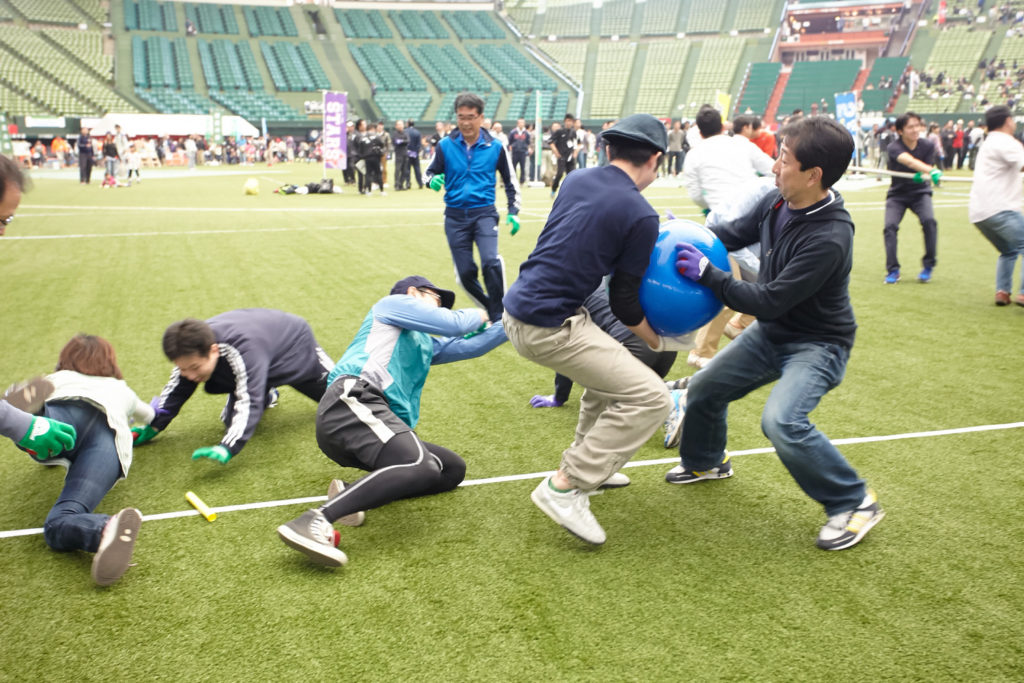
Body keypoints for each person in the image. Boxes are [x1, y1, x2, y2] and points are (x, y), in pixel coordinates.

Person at [669, 116, 884, 551]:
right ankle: (707, 462)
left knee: (782, 422)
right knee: (706, 388)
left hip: (818, 344)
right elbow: (728, 234)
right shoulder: (776, 202)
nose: (774, 167)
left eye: (784, 159)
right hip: (774, 333)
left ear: (813, 174)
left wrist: (710, 275)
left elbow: (767, 299)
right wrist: (684, 235)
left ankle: (855, 501)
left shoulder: (829, 237)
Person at [502, 113, 674, 546]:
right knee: (652, 397)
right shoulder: (641, 213)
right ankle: (567, 486)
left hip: (520, 311)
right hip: (548, 326)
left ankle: (593, 468)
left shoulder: (576, 179)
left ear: (609, 150)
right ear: (655, 158)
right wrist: (659, 339)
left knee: (615, 369)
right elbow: (624, 302)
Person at [276, 276, 507, 566]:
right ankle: (314, 520)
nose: (440, 308)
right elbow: (455, 324)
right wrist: (482, 314)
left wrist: (515, 322)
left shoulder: (424, 343)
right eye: (436, 300)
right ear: (413, 293)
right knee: (421, 464)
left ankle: (350, 494)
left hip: (368, 418)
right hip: (353, 400)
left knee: (449, 470)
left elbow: (473, 345)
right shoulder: (392, 305)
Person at [10, 334, 155, 585]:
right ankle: (105, 529)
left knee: (30, 430)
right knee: (61, 519)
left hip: (65, 415)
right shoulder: (123, 390)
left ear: (65, 360)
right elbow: (152, 415)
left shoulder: (58, 377)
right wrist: (151, 411)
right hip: (109, 441)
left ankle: (35, 410)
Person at [133, 309, 334, 464]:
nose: (190, 375)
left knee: (343, 398)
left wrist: (228, 447)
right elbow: (178, 387)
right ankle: (265, 389)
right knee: (231, 421)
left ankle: (262, 385)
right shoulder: (190, 350)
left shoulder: (243, 349)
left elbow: (249, 401)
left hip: (294, 347)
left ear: (213, 350)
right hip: (258, 358)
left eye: (194, 367)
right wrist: (155, 423)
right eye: (183, 368)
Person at [683, 106, 774, 368]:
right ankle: (701, 352)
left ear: (699, 130)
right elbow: (771, 168)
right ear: (724, 125)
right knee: (753, 282)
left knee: (749, 284)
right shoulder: (742, 144)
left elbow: (695, 194)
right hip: (751, 219)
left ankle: (738, 325)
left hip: (723, 223)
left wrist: (713, 201)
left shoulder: (695, 155)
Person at [425, 92, 521, 323]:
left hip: (484, 214)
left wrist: (513, 212)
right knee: (466, 273)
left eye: (471, 117)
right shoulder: (445, 146)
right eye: (461, 117)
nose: (466, 123)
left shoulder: (496, 147)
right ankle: (492, 309)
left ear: (481, 118)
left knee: (490, 262)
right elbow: (429, 172)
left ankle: (499, 317)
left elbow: (511, 181)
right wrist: (432, 181)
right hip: (455, 217)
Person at [968, 105, 1024, 306]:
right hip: (1001, 208)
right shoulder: (1007, 142)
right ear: (1008, 121)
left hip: (979, 213)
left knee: (1009, 251)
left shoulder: (989, 142)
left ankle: (1002, 292)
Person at [883, 111, 942, 284]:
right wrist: (930, 171)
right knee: (890, 227)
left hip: (920, 193)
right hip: (898, 194)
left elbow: (926, 165)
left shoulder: (927, 146)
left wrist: (926, 173)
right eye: (911, 127)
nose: (916, 130)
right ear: (900, 131)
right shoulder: (894, 147)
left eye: (918, 125)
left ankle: (928, 265)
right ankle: (893, 270)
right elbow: (908, 161)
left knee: (929, 221)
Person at [548, 113, 577, 197]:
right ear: (564, 121)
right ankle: (553, 189)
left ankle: (571, 193)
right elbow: (550, 141)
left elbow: (577, 143)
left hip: (571, 157)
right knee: (560, 174)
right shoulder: (559, 131)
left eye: (570, 121)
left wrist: (575, 153)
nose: (569, 123)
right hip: (562, 157)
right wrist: (556, 152)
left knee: (572, 176)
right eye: (567, 121)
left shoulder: (573, 132)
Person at [508, 118, 531, 184]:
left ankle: (522, 181)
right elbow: (510, 141)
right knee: (513, 167)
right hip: (515, 152)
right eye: (520, 123)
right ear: (517, 123)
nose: (521, 124)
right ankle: (513, 180)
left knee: (523, 167)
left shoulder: (526, 133)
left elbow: (528, 142)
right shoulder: (513, 132)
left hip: (523, 152)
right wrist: (511, 147)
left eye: (523, 123)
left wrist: (527, 148)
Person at [392, 120, 409, 191]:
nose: (400, 126)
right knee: (397, 170)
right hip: (398, 154)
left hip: (405, 153)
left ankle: (401, 184)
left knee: (405, 170)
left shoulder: (406, 133)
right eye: (399, 125)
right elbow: (396, 142)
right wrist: (403, 141)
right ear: (396, 126)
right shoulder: (395, 134)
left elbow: (408, 141)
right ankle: (396, 184)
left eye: (401, 124)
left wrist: (401, 141)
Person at [405, 120, 423, 188]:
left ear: (407, 124)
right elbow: (419, 144)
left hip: (407, 153)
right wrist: (416, 151)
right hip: (415, 153)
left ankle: (408, 183)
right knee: (417, 168)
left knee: (407, 169)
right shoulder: (417, 132)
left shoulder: (405, 131)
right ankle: (420, 183)